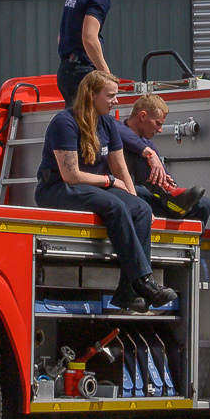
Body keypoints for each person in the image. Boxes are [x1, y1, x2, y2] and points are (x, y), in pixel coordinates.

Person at [34, 71, 175, 311]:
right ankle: (144, 281)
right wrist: (109, 181)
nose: (115, 101)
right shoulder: (64, 122)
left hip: (91, 187)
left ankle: (127, 292)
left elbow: (120, 169)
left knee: (141, 209)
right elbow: (71, 175)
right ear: (91, 94)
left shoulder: (108, 124)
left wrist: (135, 200)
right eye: (110, 96)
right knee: (115, 206)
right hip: (58, 188)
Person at [111, 92, 210, 224]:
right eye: (158, 124)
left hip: (148, 195)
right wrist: (148, 153)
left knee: (204, 203)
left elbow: (161, 173)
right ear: (143, 116)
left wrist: (170, 184)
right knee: (141, 191)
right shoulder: (114, 129)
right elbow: (117, 129)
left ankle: (173, 204)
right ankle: (168, 197)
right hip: (124, 192)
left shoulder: (149, 144)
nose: (160, 130)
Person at [56, 0, 138, 105]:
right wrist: (106, 74)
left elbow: (61, 37)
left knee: (75, 117)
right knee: (91, 119)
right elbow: (89, 37)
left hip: (67, 70)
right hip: (81, 72)